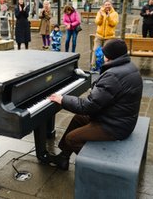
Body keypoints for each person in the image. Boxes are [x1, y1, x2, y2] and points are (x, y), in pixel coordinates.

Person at [48, 39, 143, 170]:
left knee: (72, 139)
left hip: (114, 127)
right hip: (119, 118)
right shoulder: (128, 67)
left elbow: (88, 106)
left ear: (109, 56)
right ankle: (63, 157)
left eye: (104, 53)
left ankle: (99, 168)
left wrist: (63, 99)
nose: (102, 55)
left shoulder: (114, 75)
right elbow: (106, 94)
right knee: (78, 119)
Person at [90, 0, 119, 70]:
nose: (107, 6)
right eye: (106, 5)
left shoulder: (115, 14)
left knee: (107, 53)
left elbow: (113, 24)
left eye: (109, 4)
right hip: (99, 36)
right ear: (103, 6)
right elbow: (97, 22)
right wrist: (101, 16)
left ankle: (106, 67)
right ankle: (93, 66)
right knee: (95, 50)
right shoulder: (100, 12)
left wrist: (108, 17)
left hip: (109, 37)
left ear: (111, 5)